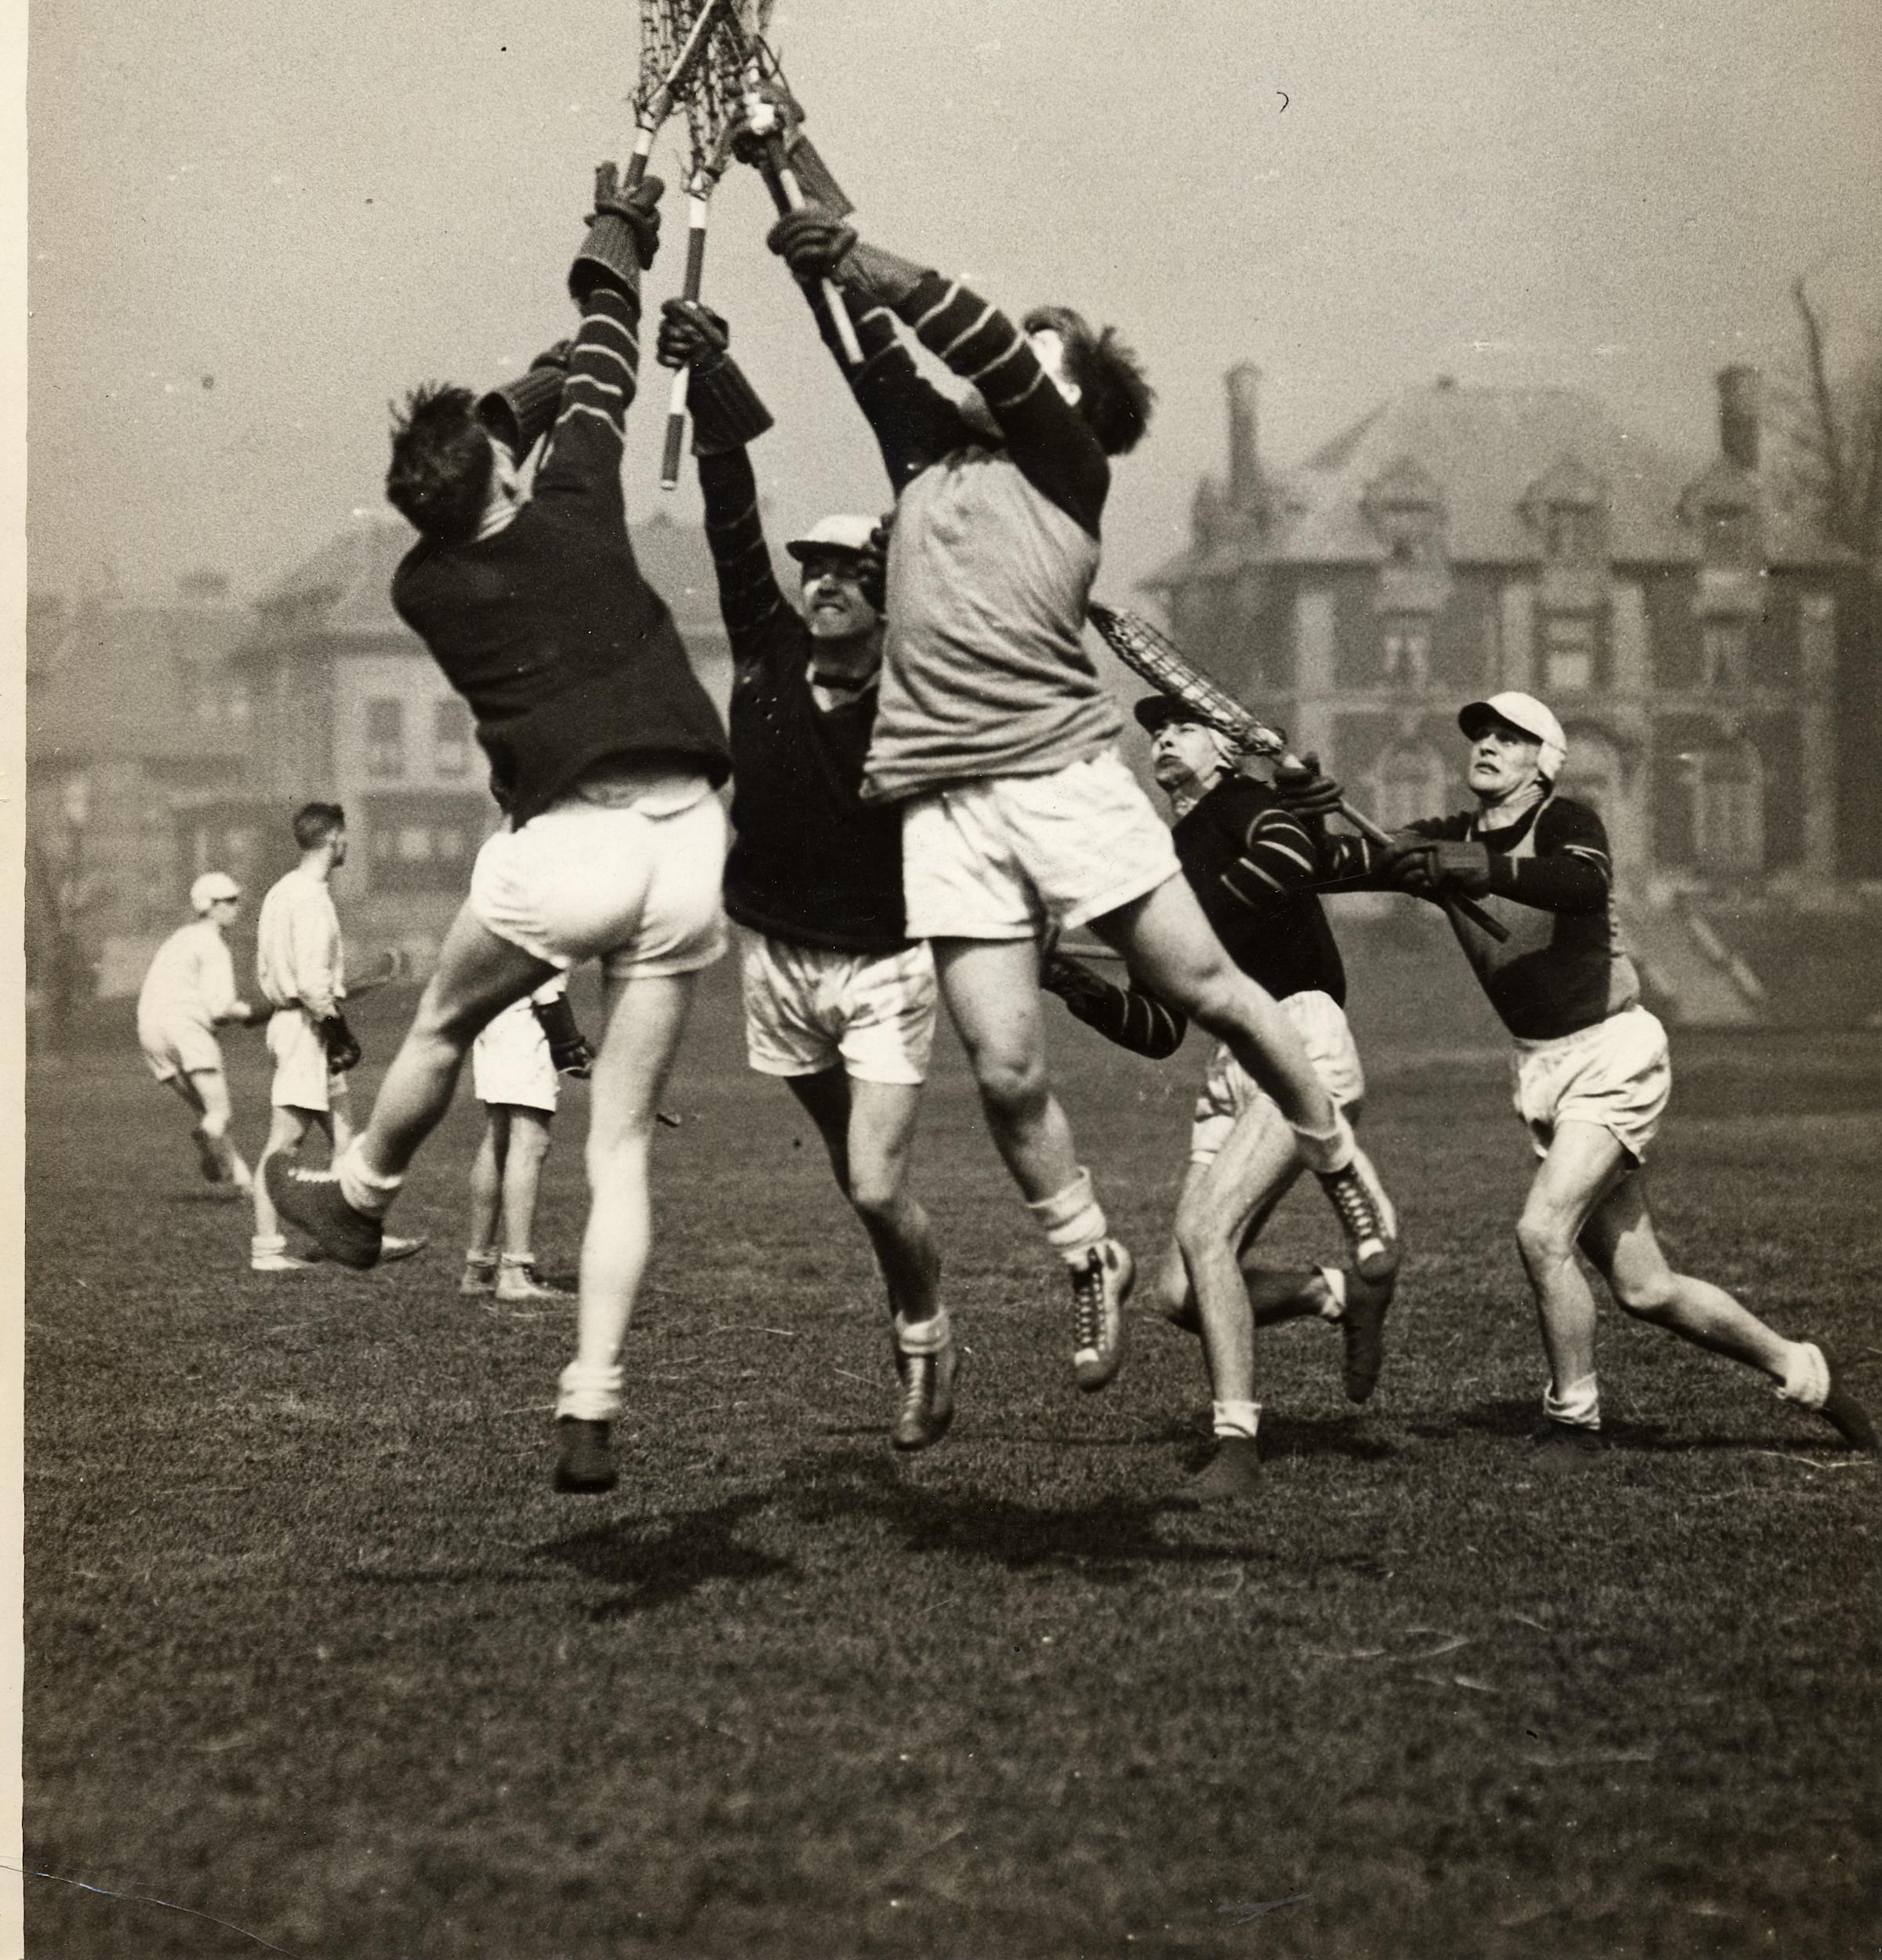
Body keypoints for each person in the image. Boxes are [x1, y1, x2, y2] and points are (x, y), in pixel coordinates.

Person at [768, 207, 1387, 1399]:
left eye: (1042, 351)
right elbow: (869, 346)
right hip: (943, 803)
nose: (1008, 357)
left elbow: (968, 334)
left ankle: (1336, 1162)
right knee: (1004, 1069)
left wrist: (854, 260)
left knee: (1206, 988)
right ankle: (1086, 1245)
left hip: (1059, 778)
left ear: (1074, 398)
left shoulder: (1065, 460)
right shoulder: (925, 460)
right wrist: (786, 170)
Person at [268, 165, 736, 1497]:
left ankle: (359, 1197)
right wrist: (619, 235)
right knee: (623, 1144)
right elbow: (600, 354)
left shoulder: (420, 580)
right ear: (504, 466)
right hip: (694, 840)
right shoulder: (583, 492)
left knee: (442, 1029)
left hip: (569, 847)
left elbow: (513, 426)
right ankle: (590, 1396)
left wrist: (501, 407)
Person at [1280, 691, 1878, 1458]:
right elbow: (1330, 867)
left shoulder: (1567, 822)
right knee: (1646, 1288)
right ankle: (1804, 1370)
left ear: (1544, 763)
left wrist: (1472, 865)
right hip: (1542, 1069)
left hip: (1612, 1053)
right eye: (1481, 736)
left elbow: (1580, 885)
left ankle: (1574, 1418)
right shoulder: (1445, 837)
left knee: (1540, 1232)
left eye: (1510, 737)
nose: (1487, 746)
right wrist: (1304, 810)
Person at [659, 296, 954, 1452]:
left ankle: (927, 1332)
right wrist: (713, 376)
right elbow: (732, 518)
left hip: (885, 961)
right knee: (854, 1179)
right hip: (773, 956)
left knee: (879, 1187)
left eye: (848, 569)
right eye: (816, 567)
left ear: (890, 592)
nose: (824, 581)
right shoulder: (770, 652)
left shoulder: (919, 685)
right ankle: (911, 1291)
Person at [1037, 699, 1398, 1498]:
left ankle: (1237, 1445)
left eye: (1183, 727)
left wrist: (1188, 929)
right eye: (1157, 730)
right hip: (1230, 1066)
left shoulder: (1250, 806)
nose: (1163, 737)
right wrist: (1067, 977)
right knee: (1177, 1292)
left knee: (1205, 1232)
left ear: (1227, 752)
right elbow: (1162, 1026)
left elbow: (1289, 860)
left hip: (1300, 1038)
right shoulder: (1164, 860)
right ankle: (1341, 1293)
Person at [461, 977, 591, 1305]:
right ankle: (515, 1273)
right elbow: (546, 983)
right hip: (524, 1020)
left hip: (492, 1016)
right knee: (530, 1141)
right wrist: (568, 1044)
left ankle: (479, 1269)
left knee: (499, 1138)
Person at [135, 870, 259, 1194]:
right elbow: (220, 1008)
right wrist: (259, 1012)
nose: (236, 907)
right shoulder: (214, 944)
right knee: (219, 1115)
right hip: (186, 1029)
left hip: (150, 1032)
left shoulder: (179, 938)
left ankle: (242, 1179)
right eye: (229, 901)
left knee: (208, 1113)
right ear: (210, 905)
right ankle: (213, 1140)